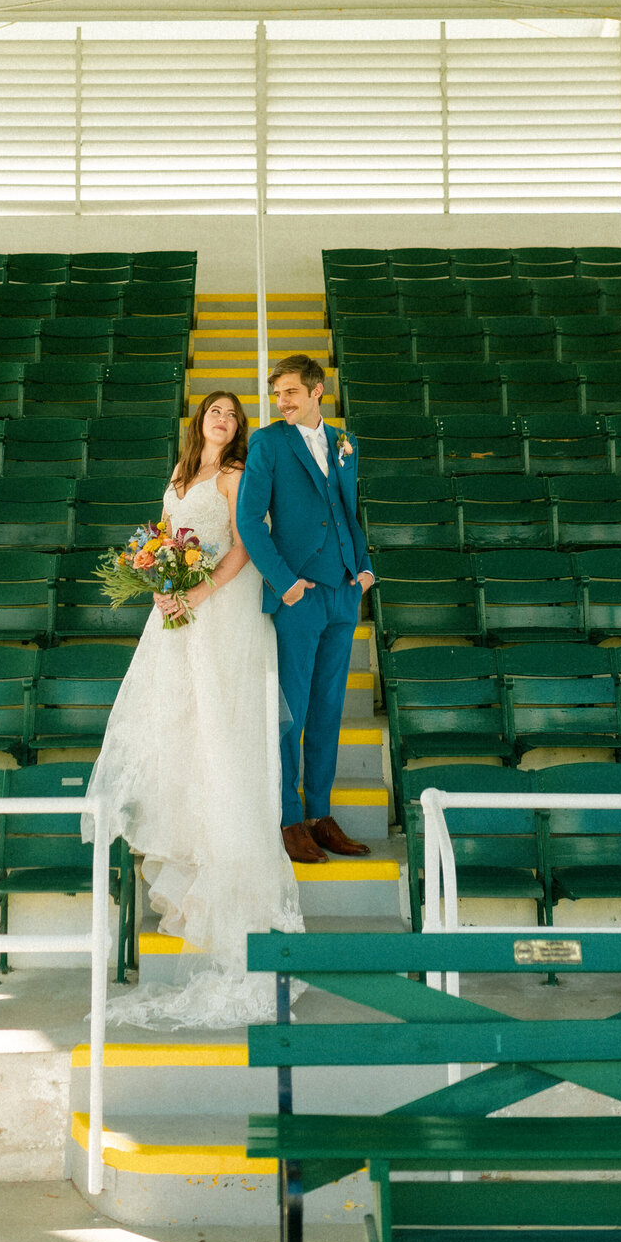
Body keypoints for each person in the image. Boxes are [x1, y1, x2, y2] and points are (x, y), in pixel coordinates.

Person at [86, 389, 301, 1030]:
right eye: (216, 410)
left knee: (220, 733)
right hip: (177, 612)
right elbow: (166, 540)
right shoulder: (178, 476)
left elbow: (243, 549)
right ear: (198, 419)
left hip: (222, 611)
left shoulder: (237, 476)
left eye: (234, 416)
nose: (224, 420)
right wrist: (159, 584)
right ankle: (193, 856)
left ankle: (230, 877)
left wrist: (197, 593)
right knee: (179, 731)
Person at [236, 355, 374, 864]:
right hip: (298, 596)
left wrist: (363, 569)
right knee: (289, 714)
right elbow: (250, 520)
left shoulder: (345, 441)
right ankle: (288, 818)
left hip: (343, 591)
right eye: (277, 394)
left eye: (291, 392)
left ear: (318, 391)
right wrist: (286, 583)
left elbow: (347, 508)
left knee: (327, 711)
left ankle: (320, 814)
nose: (281, 401)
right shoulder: (268, 442)